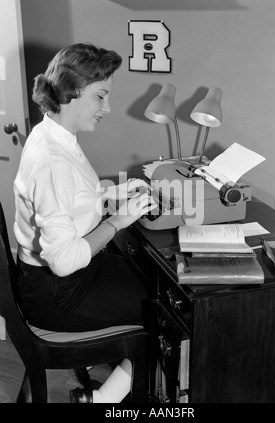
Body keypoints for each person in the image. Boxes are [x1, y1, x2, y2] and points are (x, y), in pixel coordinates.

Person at [13, 42, 157, 403]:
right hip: (59, 293)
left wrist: (115, 194)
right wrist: (119, 220)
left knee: (153, 283)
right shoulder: (51, 161)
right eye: (100, 97)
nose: (107, 108)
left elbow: (72, 198)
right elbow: (63, 261)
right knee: (168, 315)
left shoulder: (54, 134)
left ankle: (119, 378)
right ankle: (106, 400)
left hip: (61, 279)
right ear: (71, 93)